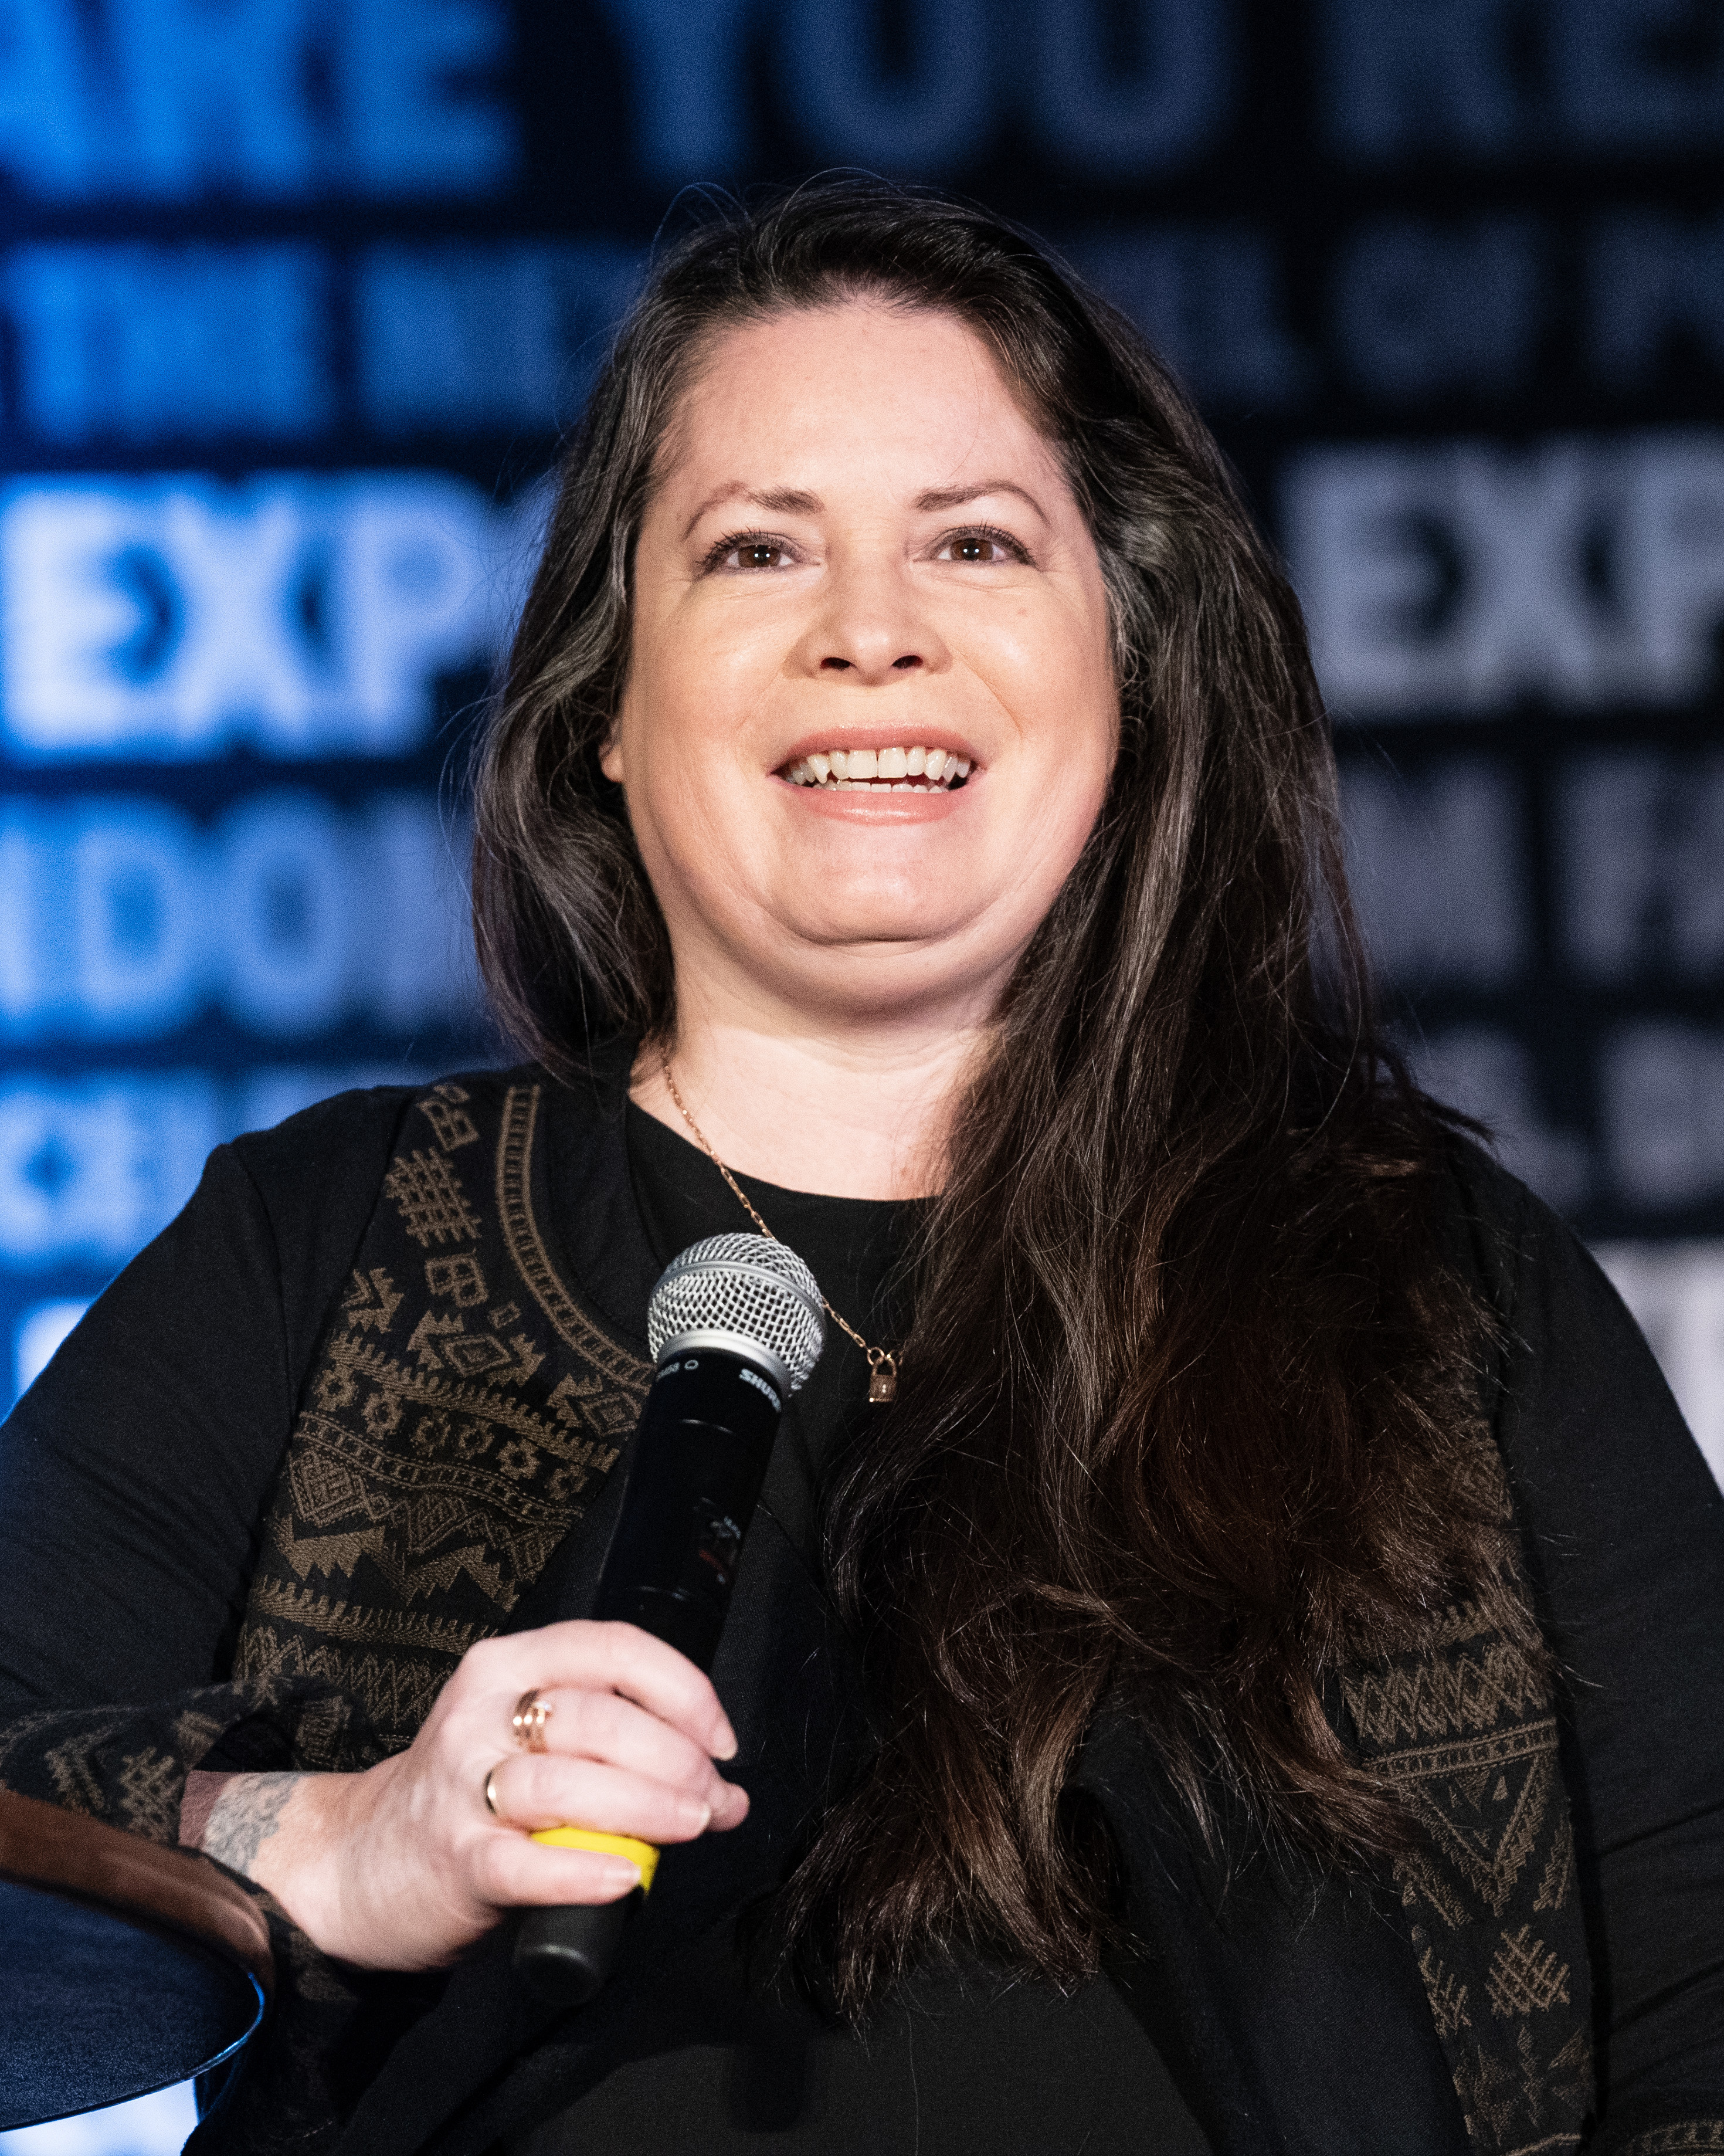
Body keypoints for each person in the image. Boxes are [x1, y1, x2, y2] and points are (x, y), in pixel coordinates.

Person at [1, 181, 1720, 2156]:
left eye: (976, 543)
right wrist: (332, 1835)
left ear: (1131, 679)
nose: (872, 634)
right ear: (605, 717)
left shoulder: (1429, 1282)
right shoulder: (319, 1245)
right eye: (754, 551)